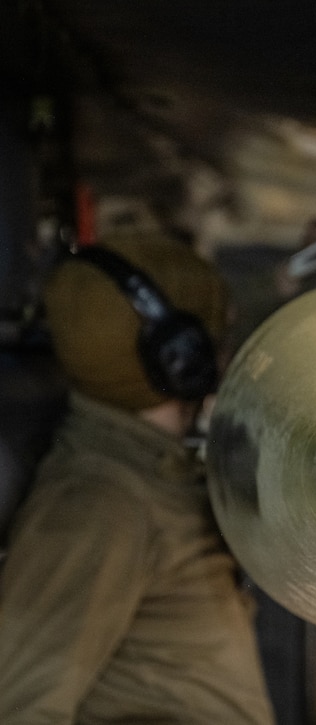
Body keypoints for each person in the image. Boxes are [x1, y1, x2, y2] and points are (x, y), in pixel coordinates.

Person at [0, 231, 275, 723]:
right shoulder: (100, 504)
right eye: (217, 335)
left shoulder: (152, 475)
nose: (226, 354)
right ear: (179, 358)